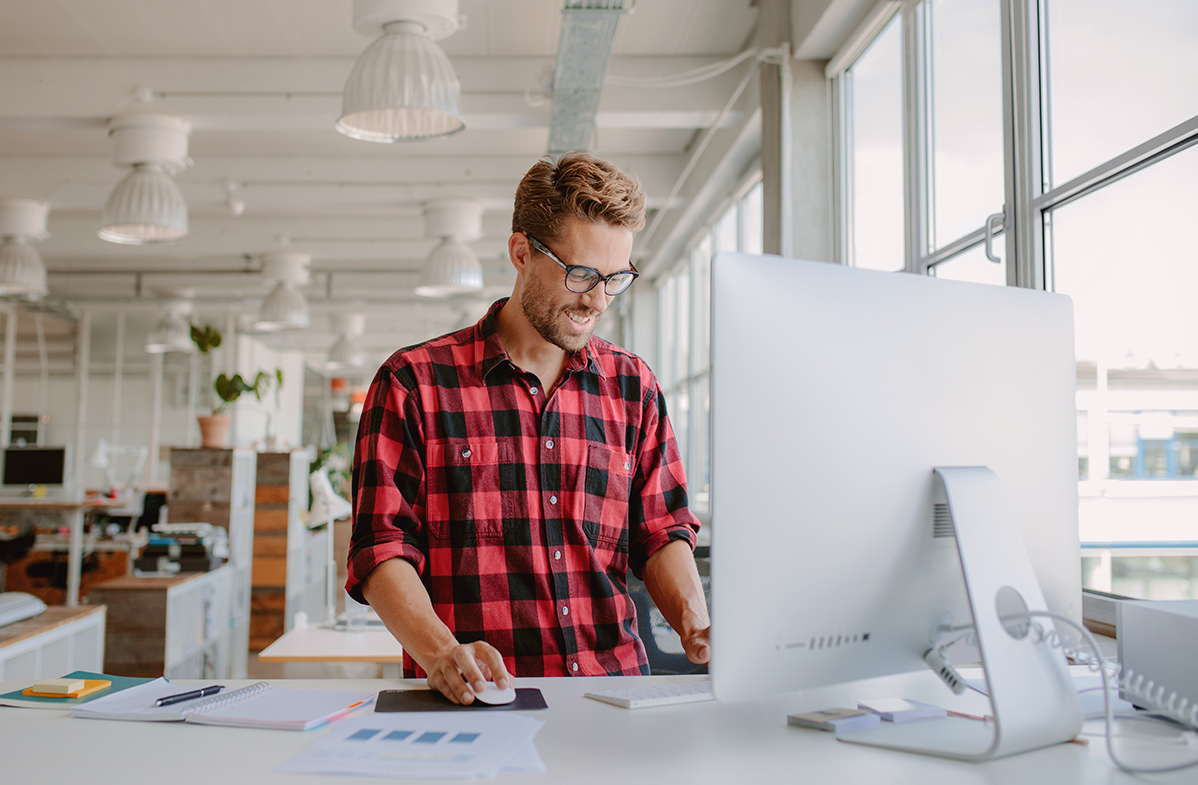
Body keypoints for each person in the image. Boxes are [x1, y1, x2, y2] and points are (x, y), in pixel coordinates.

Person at [346, 152, 710, 705]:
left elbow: (661, 531)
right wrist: (442, 652)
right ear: (521, 252)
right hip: (477, 702)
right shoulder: (413, 383)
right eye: (582, 273)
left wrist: (697, 627)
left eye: (616, 279)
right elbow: (381, 548)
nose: (597, 299)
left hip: (614, 697)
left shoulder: (634, 386)